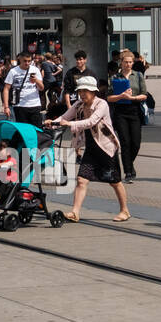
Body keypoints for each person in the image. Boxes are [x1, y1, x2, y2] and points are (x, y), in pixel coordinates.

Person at [45, 76, 130, 223]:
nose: (82, 94)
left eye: (86, 91)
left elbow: (91, 122)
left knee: (114, 181)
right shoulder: (78, 104)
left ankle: (125, 210)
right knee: (81, 180)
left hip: (106, 148)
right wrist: (52, 122)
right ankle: (75, 212)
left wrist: (69, 124)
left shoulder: (101, 104)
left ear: (93, 91)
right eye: (80, 91)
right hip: (91, 148)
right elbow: (65, 117)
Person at [106, 49, 150, 183]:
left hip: (135, 110)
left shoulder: (138, 75)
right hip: (120, 112)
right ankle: (128, 172)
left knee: (136, 142)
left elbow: (145, 94)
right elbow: (109, 98)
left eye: (131, 62)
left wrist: (133, 97)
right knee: (125, 142)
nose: (128, 64)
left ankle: (129, 163)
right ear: (121, 63)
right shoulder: (115, 77)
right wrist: (121, 96)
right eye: (126, 62)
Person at [2, 52, 44, 126]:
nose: (27, 63)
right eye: (25, 61)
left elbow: (41, 88)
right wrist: (6, 107)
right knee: (22, 131)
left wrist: (36, 80)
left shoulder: (35, 70)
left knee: (37, 130)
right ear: (20, 59)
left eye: (29, 61)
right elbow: (6, 89)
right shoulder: (13, 71)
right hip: (20, 106)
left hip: (35, 104)